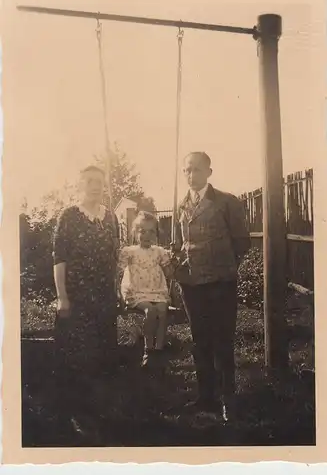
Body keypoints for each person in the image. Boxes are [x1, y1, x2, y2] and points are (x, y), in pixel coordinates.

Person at [172, 151, 250, 421]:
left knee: (222, 341)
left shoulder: (226, 202)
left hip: (220, 283)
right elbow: (183, 243)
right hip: (192, 285)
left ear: (209, 172)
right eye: (187, 170)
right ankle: (206, 398)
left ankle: (228, 399)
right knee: (200, 341)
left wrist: (224, 267)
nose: (191, 175)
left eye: (196, 169)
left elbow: (242, 241)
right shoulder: (181, 205)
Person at [52, 165, 120, 436]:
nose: (95, 186)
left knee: (103, 354)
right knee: (79, 356)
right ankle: (77, 414)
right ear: (79, 185)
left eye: (99, 182)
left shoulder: (111, 217)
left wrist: (115, 291)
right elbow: (59, 259)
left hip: (103, 297)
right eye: (89, 181)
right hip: (77, 298)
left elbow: (114, 257)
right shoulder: (68, 216)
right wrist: (62, 297)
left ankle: (100, 411)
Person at [117, 211, 173, 368]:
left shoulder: (160, 252)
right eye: (142, 231)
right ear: (135, 232)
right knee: (150, 311)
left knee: (162, 311)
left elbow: (169, 273)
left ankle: (159, 349)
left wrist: (172, 259)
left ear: (156, 234)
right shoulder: (130, 252)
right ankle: (148, 349)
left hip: (156, 291)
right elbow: (118, 270)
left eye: (151, 232)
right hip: (137, 292)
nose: (147, 235)